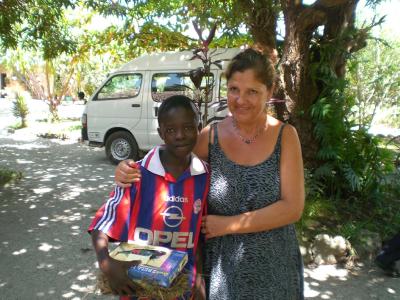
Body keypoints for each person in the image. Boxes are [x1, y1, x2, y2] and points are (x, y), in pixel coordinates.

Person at [115, 48, 305, 299]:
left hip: (275, 265)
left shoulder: (286, 136)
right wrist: (129, 169)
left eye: (252, 91)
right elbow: (169, 160)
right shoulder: (211, 136)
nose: (240, 100)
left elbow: (292, 208)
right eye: (234, 89)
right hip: (223, 269)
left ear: (269, 92)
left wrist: (228, 224)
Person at [88, 95, 210, 299]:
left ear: (199, 127)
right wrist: (106, 262)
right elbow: (103, 224)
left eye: (188, 127)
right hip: (138, 288)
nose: (180, 135)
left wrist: (199, 278)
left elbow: (199, 237)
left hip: (182, 288)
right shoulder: (136, 175)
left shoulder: (205, 177)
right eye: (171, 130)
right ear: (161, 132)